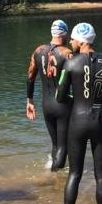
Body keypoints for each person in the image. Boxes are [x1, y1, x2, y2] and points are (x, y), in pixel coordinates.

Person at [55, 23, 102, 204]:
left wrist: (78, 101)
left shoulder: (70, 63)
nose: (71, 42)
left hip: (77, 122)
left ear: (82, 41)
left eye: (73, 39)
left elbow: (60, 97)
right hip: (100, 121)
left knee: (74, 173)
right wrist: (98, 100)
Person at [26, 19, 73, 170]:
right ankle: (53, 177)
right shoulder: (67, 53)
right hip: (63, 105)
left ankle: (54, 178)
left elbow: (30, 76)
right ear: (65, 33)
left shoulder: (38, 50)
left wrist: (29, 101)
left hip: (46, 105)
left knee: (55, 145)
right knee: (63, 147)